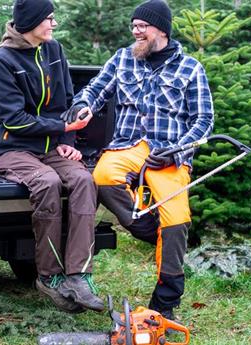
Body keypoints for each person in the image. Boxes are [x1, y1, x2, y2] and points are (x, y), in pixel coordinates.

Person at [70, 0, 214, 320]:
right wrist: (83, 106)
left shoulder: (190, 68)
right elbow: (95, 91)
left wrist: (177, 151)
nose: (135, 31)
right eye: (133, 25)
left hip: (169, 151)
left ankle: (165, 302)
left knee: (176, 221)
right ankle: (142, 225)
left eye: (142, 26)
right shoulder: (123, 59)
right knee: (103, 176)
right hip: (129, 146)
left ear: (160, 29)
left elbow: (203, 121)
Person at [0, 0, 104, 313]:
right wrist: (64, 125)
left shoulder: (54, 50)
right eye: (48, 19)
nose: (53, 24)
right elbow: (14, 120)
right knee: (47, 182)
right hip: (11, 148)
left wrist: (66, 138)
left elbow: (65, 100)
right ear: (31, 21)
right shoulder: (2, 60)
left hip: (50, 146)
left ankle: (79, 275)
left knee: (83, 179)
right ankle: (49, 277)